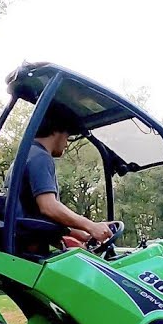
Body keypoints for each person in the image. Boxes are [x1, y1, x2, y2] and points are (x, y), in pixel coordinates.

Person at [13, 104, 113, 253]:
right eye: (67, 137)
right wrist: (90, 225)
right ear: (56, 131)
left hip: (21, 242)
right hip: (29, 250)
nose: (66, 144)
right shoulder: (40, 157)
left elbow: (36, 216)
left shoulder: (26, 155)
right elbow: (49, 207)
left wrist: (84, 233)